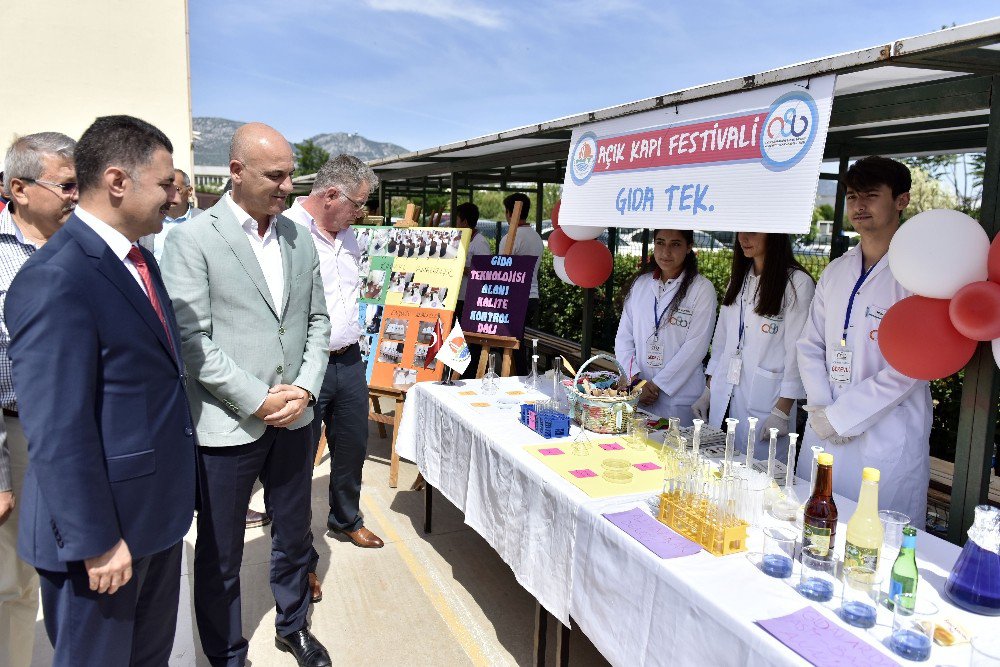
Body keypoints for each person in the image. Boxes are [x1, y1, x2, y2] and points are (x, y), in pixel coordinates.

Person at [5, 115, 196, 666]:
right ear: (118, 182)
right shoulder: (56, 277)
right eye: (164, 184)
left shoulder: (139, 259)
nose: (173, 195)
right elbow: (56, 427)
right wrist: (96, 540)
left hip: (151, 519)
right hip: (100, 539)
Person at [160, 122, 332, 667]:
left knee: (294, 532)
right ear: (236, 172)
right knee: (221, 552)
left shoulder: (298, 236)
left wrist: (303, 388)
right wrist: (258, 399)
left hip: (295, 419)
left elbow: (318, 321)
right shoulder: (193, 238)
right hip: (229, 422)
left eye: (290, 176)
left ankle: (293, 625)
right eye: (275, 176)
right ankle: (227, 653)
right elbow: (191, 338)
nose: (287, 187)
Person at [797, 156, 931, 523]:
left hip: (884, 435)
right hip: (825, 423)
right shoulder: (837, 270)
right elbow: (810, 344)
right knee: (813, 526)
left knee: (875, 541)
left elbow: (914, 366)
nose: (858, 206)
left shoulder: (918, 276)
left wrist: (844, 415)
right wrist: (824, 408)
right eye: (853, 196)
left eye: (871, 195)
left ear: (901, 200)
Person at [284, 155, 385, 589]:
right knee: (296, 463)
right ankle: (298, 552)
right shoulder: (286, 231)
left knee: (352, 447)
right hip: (306, 365)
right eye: (357, 204)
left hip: (348, 360)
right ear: (330, 195)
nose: (361, 213)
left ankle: (346, 518)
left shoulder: (350, 237)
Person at [0, 131, 78, 667]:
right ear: (21, 188)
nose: (78, 195)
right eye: (67, 184)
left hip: (82, 434)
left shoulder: (85, 246)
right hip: (19, 437)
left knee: (83, 571)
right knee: (15, 584)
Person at [695, 233, 815, 460]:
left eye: (754, 231)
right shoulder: (739, 279)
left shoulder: (797, 283)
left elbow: (797, 353)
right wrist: (709, 389)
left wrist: (781, 411)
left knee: (757, 476)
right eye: (741, 231)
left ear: (774, 234)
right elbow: (722, 342)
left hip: (767, 401)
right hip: (726, 394)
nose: (744, 238)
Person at [615, 229, 718, 425]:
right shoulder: (641, 284)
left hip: (679, 396)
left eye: (675, 244)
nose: (666, 251)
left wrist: (657, 385)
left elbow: (696, 347)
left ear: (689, 247)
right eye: (660, 243)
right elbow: (624, 338)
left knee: (674, 452)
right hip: (640, 392)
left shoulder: (702, 289)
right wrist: (635, 382)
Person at [498, 192, 543, 375]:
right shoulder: (537, 237)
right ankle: (520, 376)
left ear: (510, 212)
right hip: (532, 296)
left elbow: (500, 271)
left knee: (511, 341)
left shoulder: (510, 238)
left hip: (514, 298)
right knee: (517, 339)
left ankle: (520, 377)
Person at [138, 168, 202, 261]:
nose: (170, 195)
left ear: (189, 191)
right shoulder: (148, 220)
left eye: (177, 189)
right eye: (166, 189)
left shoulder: (203, 219)